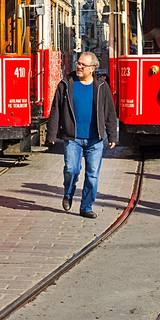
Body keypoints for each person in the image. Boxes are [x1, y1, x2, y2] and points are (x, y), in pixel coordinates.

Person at [46, 52, 118, 219]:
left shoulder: (101, 86)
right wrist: (52, 133)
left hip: (95, 139)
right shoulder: (66, 83)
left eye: (83, 65)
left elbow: (109, 112)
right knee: (71, 169)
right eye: (78, 63)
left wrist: (112, 136)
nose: (79, 67)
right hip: (73, 138)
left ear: (92, 69)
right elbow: (56, 109)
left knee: (92, 175)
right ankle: (68, 193)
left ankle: (86, 206)